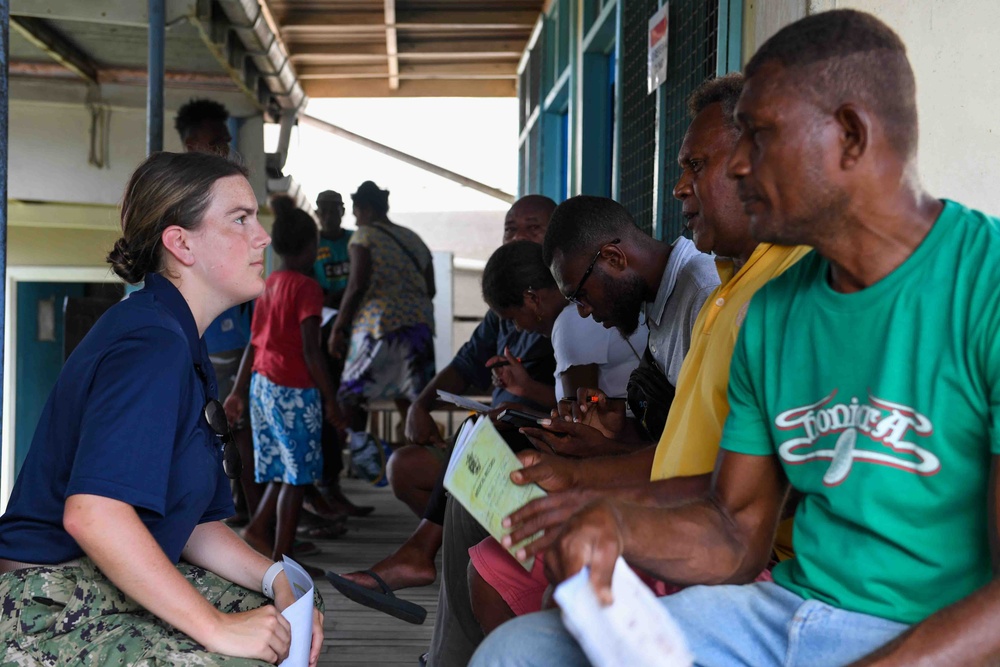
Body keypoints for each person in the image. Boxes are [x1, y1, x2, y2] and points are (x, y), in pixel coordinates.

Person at [471, 9, 1000, 666]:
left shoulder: (986, 285)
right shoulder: (773, 308)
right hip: (785, 611)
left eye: (759, 137)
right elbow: (735, 529)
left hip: (934, 632)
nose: (739, 167)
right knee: (519, 651)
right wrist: (612, 521)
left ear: (851, 135)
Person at [467, 72, 810, 635]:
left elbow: (743, 500)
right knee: (500, 547)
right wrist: (591, 469)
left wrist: (597, 495)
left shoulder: (782, 294)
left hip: (753, 559)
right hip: (699, 520)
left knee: (515, 585)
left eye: (695, 166)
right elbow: (702, 456)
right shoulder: (730, 283)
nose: (678, 187)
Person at [0, 151, 322, 665]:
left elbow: (190, 523)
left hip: (95, 583)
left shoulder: (175, 335)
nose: (262, 237)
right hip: (43, 604)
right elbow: (94, 515)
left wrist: (276, 575)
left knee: (284, 614)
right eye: (240, 219)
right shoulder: (151, 342)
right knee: (234, 654)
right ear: (181, 243)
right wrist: (216, 628)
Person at [428, 197, 720, 666]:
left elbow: (703, 459)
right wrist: (608, 440)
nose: (581, 312)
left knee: (497, 560)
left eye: (579, 295)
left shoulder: (704, 296)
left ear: (612, 258)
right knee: (487, 543)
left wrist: (581, 474)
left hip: (691, 509)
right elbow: (675, 436)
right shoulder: (665, 300)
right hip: (662, 486)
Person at [326, 195, 558, 620]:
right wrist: (420, 403)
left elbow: (584, 402)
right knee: (407, 466)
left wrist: (527, 390)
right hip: (497, 438)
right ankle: (445, 550)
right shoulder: (504, 308)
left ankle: (424, 553)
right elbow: (466, 363)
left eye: (532, 228)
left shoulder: (571, 308)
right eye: (510, 228)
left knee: (481, 442)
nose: (516, 237)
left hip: (530, 447)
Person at [226, 202, 345, 569]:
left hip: (263, 387)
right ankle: (283, 559)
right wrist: (331, 399)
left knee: (282, 469)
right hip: (294, 390)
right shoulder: (307, 288)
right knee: (298, 476)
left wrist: (238, 391)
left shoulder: (269, 284)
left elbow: (254, 342)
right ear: (311, 246)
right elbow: (311, 350)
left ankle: (260, 531)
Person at [175, 98, 260, 523]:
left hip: (230, 333)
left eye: (227, 140)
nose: (225, 147)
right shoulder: (179, 196)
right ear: (192, 145)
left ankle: (244, 512)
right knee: (215, 427)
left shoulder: (224, 190)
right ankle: (234, 515)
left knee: (233, 427)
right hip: (200, 336)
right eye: (216, 141)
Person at [482, 239, 648, 415]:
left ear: (532, 298)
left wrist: (522, 414)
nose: (518, 328)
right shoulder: (577, 312)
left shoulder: (571, 321)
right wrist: (527, 388)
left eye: (513, 318)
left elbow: (582, 424)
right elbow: (584, 403)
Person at [329, 181, 436, 428]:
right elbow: (430, 289)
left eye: (356, 213)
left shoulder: (364, 235)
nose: (355, 221)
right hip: (419, 327)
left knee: (350, 395)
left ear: (366, 209)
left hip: (379, 327)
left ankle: (366, 459)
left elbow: (356, 285)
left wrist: (338, 328)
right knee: (414, 401)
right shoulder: (413, 238)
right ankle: (421, 456)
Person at [310, 188, 373, 518]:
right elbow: (315, 291)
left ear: (344, 210)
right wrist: (341, 297)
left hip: (357, 334)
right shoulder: (313, 244)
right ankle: (328, 486)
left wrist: (341, 298)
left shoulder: (353, 240)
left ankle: (353, 468)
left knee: (355, 402)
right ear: (318, 212)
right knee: (329, 404)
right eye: (325, 209)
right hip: (321, 338)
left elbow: (364, 282)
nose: (331, 214)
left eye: (336, 208)